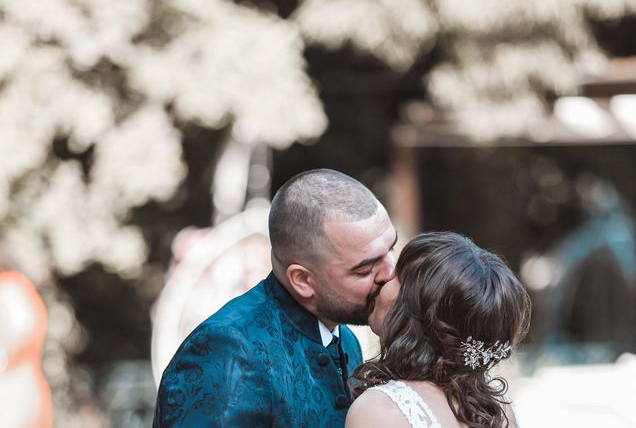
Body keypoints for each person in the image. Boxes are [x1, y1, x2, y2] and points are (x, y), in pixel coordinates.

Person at [153, 169, 398, 427]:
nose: (390, 273)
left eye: (390, 249)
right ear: (303, 280)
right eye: (365, 269)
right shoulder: (228, 350)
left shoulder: (347, 340)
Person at [346, 232, 530, 428]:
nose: (385, 277)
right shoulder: (497, 405)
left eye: (399, 274)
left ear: (417, 314)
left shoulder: (380, 411)